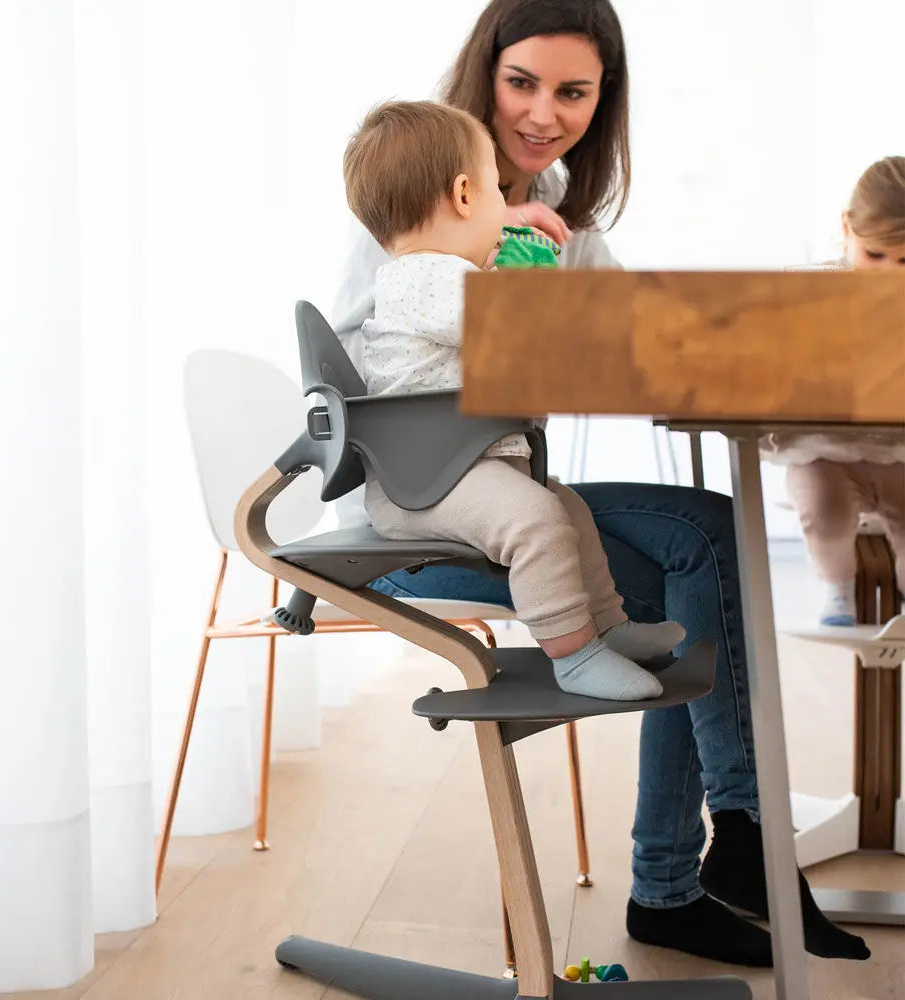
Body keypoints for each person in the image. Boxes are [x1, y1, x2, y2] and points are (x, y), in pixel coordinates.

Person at [331, 0, 869, 966]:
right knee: (694, 557)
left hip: (494, 487)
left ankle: (708, 860)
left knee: (707, 531)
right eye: (522, 83)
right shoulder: (418, 199)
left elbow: (618, 333)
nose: (543, 113)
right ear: (484, 80)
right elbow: (378, 368)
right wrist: (520, 267)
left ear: (602, 100)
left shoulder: (546, 210)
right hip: (424, 512)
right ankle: (712, 856)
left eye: (573, 91)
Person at [344, 98, 684, 701]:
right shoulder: (423, 276)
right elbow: (515, 329)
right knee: (539, 523)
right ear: (466, 195)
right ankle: (574, 655)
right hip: (425, 483)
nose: (508, 206)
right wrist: (534, 287)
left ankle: (609, 628)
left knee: (569, 513)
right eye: (500, 191)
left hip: (458, 468)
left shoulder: (447, 278)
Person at [763, 156, 905, 625]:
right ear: (847, 228)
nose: (887, 273)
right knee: (822, 510)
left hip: (899, 450)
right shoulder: (813, 288)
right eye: (875, 255)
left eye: (904, 260)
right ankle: (838, 588)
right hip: (826, 451)